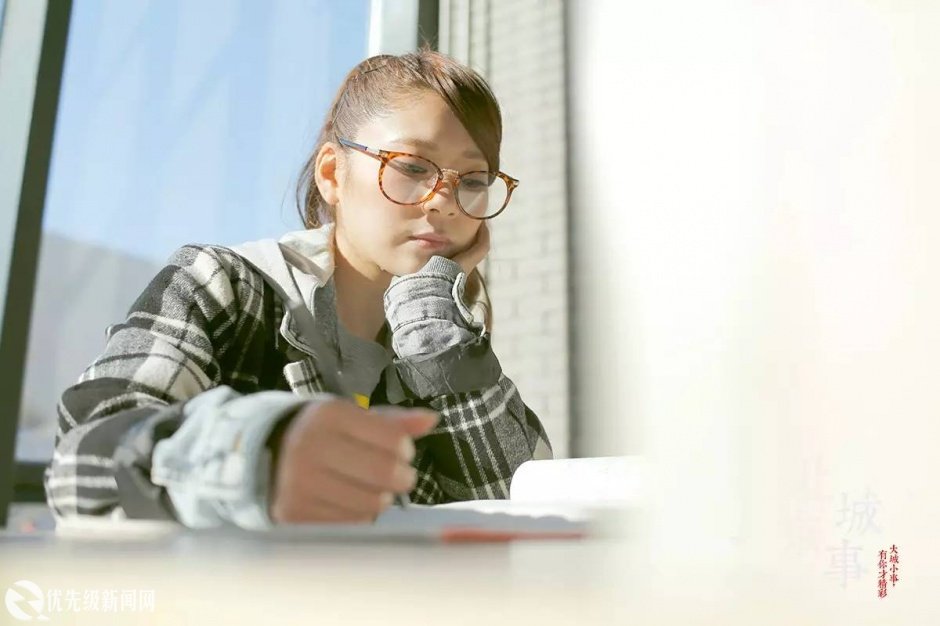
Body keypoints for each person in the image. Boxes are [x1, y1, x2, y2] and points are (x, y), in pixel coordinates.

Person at [43, 49, 553, 530]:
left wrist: (431, 324)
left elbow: (520, 509)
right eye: (412, 168)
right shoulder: (224, 286)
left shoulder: (440, 337)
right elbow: (81, 462)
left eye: (472, 180)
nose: (444, 202)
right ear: (333, 173)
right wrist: (256, 456)